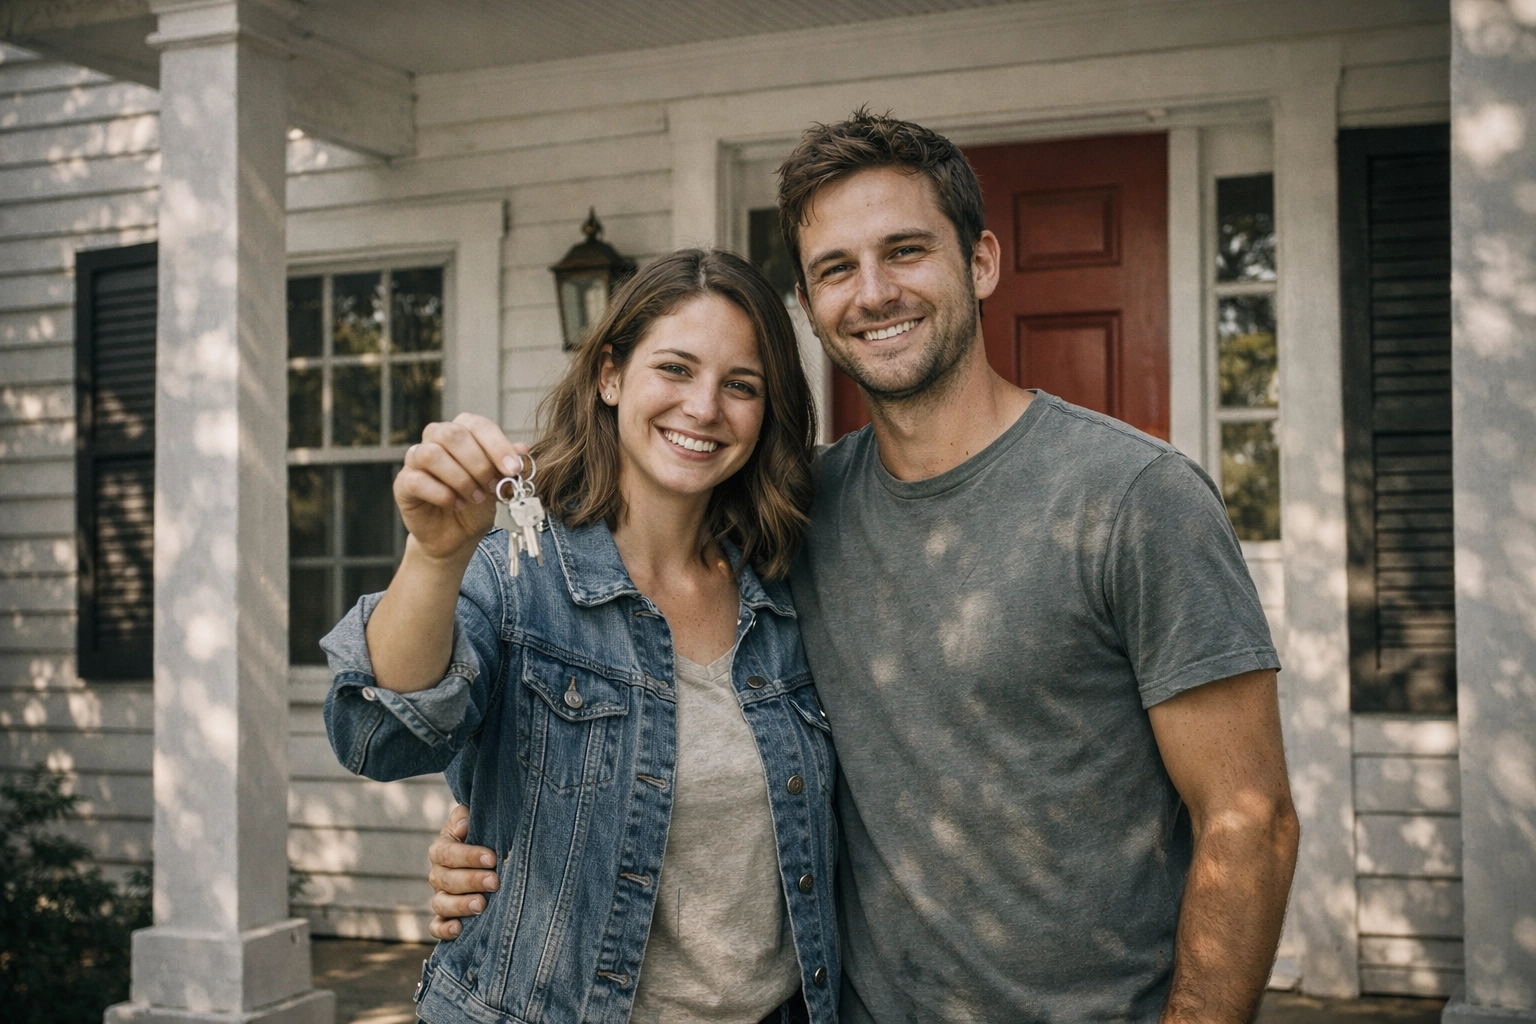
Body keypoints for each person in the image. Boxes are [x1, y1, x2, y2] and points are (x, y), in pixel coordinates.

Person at [428, 111, 1302, 1024]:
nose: (874, 292)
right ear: (808, 307)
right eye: (836, 268)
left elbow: (1252, 820)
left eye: (906, 250)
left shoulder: (1135, 498)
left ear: (981, 262)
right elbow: (643, 687)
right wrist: (494, 841)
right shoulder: (794, 515)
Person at [320, 248, 838, 1024]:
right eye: (675, 368)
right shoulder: (518, 579)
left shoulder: (789, 591)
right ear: (610, 376)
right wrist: (434, 556)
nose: (704, 407)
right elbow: (378, 738)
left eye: (741, 385)